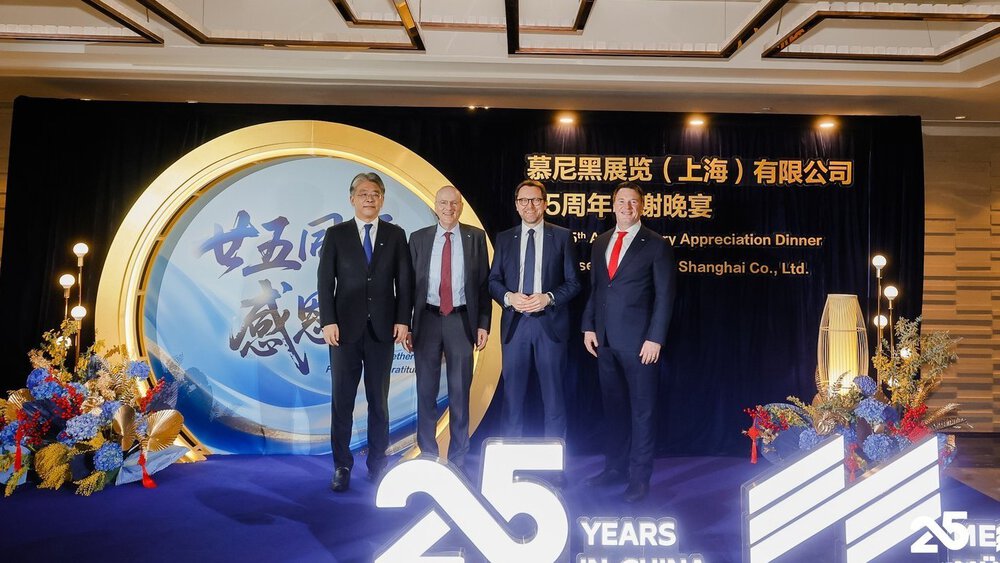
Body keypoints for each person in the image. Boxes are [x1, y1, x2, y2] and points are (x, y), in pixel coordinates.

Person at [318, 171, 414, 492]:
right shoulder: (336, 234)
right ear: (352, 199)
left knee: (379, 401)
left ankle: (377, 464)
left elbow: (405, 282)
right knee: (342, 401)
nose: (369, 198)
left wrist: (403, 320)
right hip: (343, 331)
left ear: (382, 199)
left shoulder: (396, 235)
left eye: (374, 193)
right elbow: (324, 281)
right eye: (363, 193)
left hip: (383, 331)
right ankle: (342, 465)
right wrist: (328, 320)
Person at [582, 181, 674, 503]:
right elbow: (596, 288)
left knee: (642, 413)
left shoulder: (656, 244)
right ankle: (614, 469)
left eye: (632, 202)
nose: (626, 207)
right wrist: (588, 327)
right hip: (604, 341)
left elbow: (665, 297)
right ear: (613, 205)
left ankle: (639, 479)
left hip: (640, 345)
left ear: (642, 207)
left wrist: (655, 338)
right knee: (614, 410)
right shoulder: (602, 241)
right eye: (621, 201)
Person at [489, 179, 581, 484]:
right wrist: (508, 298)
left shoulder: (563, 237)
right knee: (512, 400)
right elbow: (493, 281)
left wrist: (549, 298)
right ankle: (510, 468)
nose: (530, 206)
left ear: (545, 203)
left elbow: (573, 283)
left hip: (549, 325)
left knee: (553, 400)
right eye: (523, 200)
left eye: (535, 200)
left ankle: (554, 468)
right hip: (515, 326)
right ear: (516, 204)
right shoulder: (505, 238)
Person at [405, 185, 491, 471]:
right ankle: (428, 457)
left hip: (461, 320)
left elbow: (483, 286)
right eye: (443, 203)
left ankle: (458, 459)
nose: (448, 208)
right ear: (435, 205)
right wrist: (405, 324)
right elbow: (406, 287)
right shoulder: (418, 239)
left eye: (454, 203)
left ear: (461, 206)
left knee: (459, 392)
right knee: (426, 392)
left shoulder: (475, 238)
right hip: (426, 321)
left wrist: (483, 324)